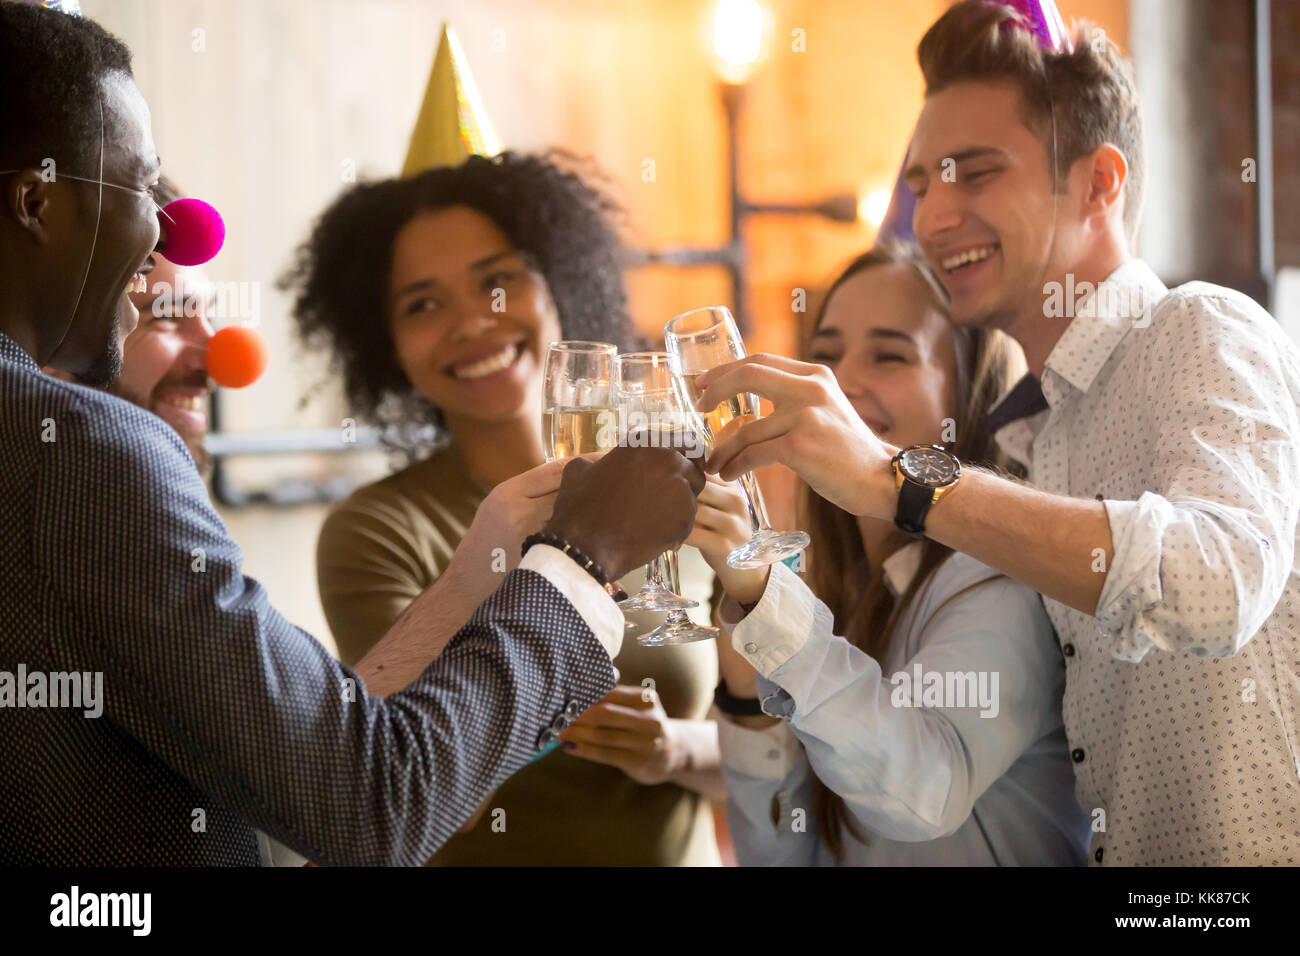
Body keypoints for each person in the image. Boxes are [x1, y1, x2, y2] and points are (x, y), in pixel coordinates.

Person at [0, 3, 703, 866]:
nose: (160, 230)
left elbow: (314, 745)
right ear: (35, 200)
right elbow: (369, 801)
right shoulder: (85, 455)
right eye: (143, 189)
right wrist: (579, 559)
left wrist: (490, 562)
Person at [697, 0, 1300, 865]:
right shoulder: (1033, 445)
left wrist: (900, 480)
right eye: (920, 184)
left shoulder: (1200, 328)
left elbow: (1212, 588)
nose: (934, 217)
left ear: (1100, 182)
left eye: (974, 173)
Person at [286, 152, 724, 866]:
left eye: (497, 281)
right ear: (385, 345)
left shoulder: (664, 481)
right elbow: (407, 797)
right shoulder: (377, 530)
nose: (471, 322)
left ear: (559, 285)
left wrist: (672, 751)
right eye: (422, 304)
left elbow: (775, 759)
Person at [688, 243, 1088, 864]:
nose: (837, 382)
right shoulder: (835, 592)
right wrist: (746, 702)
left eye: (889, 354)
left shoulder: (996, 580)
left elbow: (924, 793)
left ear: (971, 396)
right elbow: (781, 857)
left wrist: (765, 599)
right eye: (824, 353)